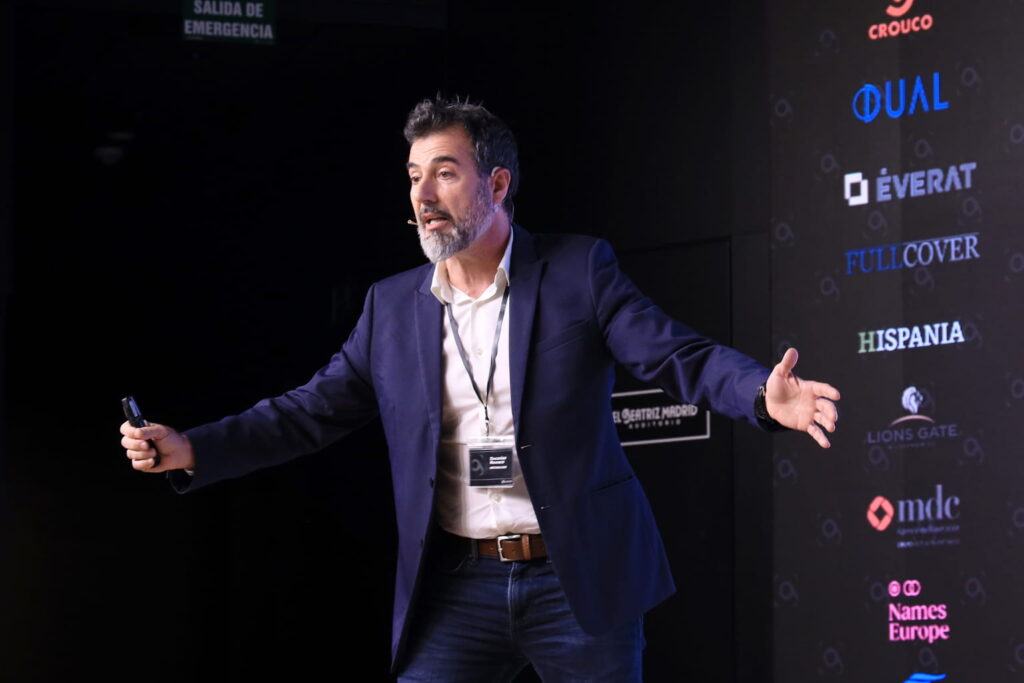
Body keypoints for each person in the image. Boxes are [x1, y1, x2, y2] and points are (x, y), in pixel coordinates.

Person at [120, 95, 840, 682]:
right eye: (412, 176)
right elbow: (307, 412)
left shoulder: (577, 272)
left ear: (496, 184)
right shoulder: (391, 306)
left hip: (575, 576)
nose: (422, 195)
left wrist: (758, 394)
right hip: (457, 585)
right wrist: (191, 448)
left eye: (444, 173)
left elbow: (675, 354)